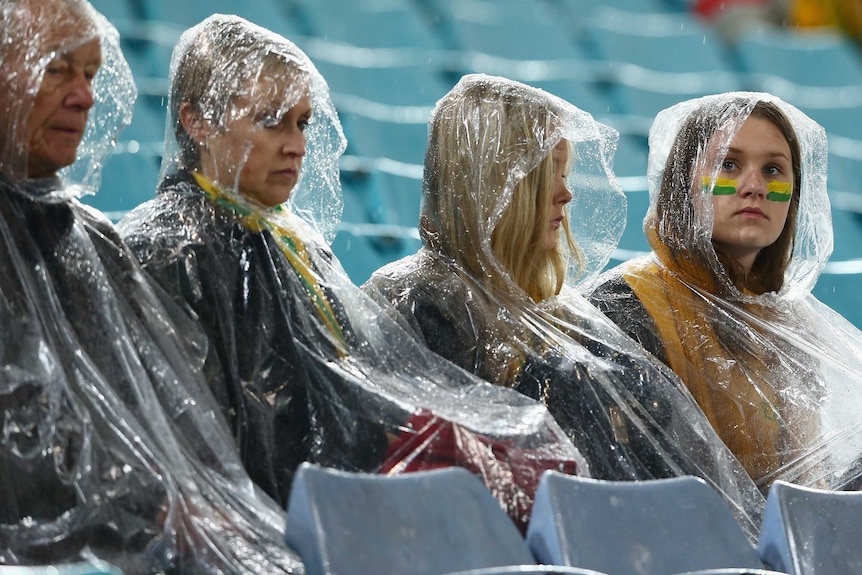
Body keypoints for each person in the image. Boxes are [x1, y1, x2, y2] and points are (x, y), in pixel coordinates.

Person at [118, 14, 586, 531]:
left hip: (334, 510)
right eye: (271, 120)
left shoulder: (296, 249)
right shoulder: (163, 249)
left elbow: (362, 395)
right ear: (196, 121)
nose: (294, 144)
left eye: (301, 123)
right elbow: (193, 445)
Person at [362, 73, 767, 537]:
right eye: (547, 171)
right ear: (495, 182)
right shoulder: (412, 304)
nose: (566, 193)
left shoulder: (572, 323)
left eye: (565, 172)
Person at [0, 0, 306, 571]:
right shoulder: (155, 246)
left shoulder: (92, 242)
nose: (84, 96)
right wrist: (153, 508)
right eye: (55, 69)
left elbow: (180, 423)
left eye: (90, 74)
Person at [586, 92, 862, 492]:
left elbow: (806, 487)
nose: (755, 186)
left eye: (773, 170)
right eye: (729, 165)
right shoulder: (623, 308)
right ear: (684, 184)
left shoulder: (793, 326)